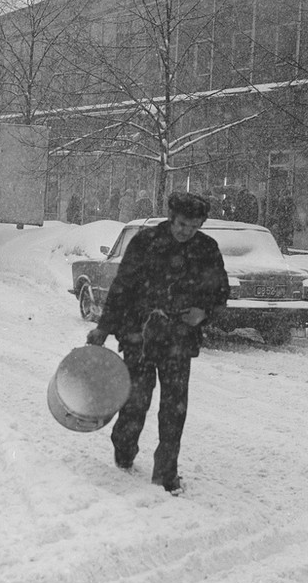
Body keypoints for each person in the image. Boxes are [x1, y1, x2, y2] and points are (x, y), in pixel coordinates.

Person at [86, 192, 230, 494]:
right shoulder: (146, 241)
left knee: (174, 410)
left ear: (201, 223)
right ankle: (124, 450)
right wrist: (103, 328)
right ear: (170, 216)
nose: (185, 231)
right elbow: (122, 287)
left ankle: (166, 474)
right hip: (139, 334)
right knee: (136, 402)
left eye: (192, 226)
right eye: (180, 224)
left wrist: (203, 313)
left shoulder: (207, 249)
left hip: (179, 338)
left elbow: (220, 294)